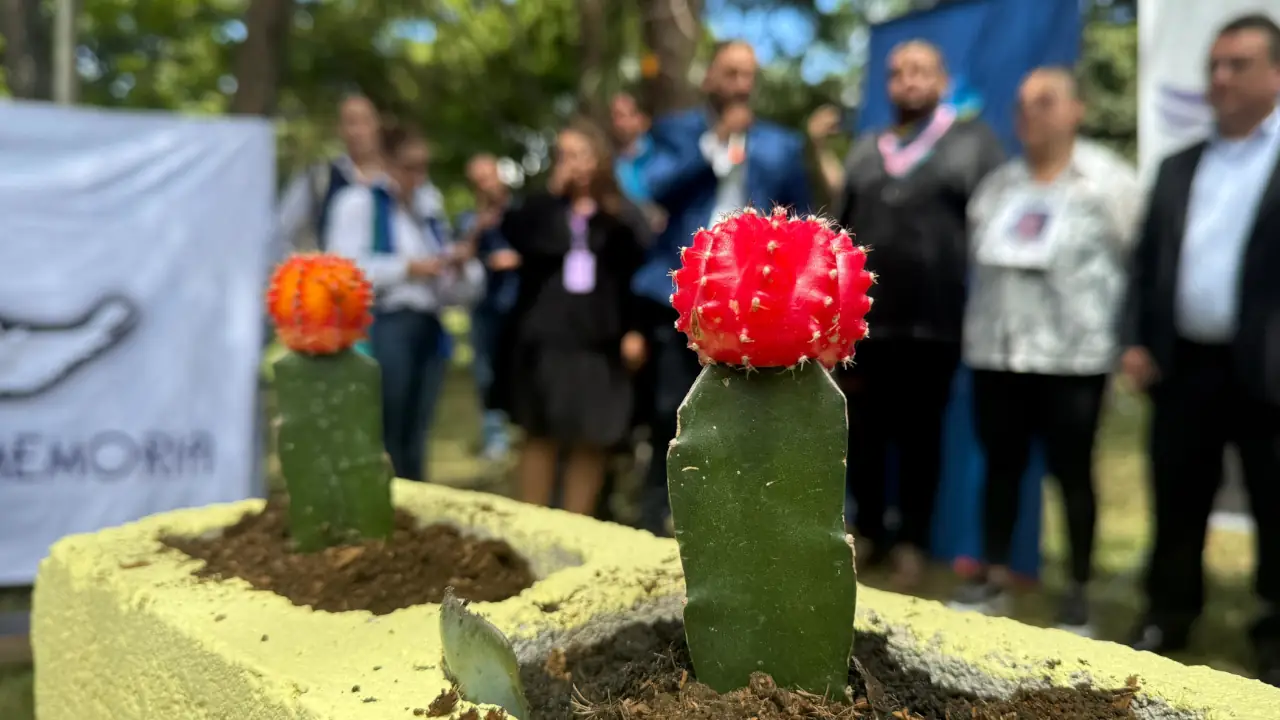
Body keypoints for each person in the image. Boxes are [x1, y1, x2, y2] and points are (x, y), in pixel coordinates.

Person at [947, 68, 1141, 636]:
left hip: (1074, 360)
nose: (1030, 114)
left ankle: (1078, 589)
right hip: (999, 355)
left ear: (1077, 109)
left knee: (1072, 474)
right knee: (1001, 469)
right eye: (1022, 105)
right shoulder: (999, 186)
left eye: (1046, 102)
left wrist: (1131, 342)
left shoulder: (1110, 183)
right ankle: (994, 577)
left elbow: (1140, 267)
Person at [1122, 14, 1280, 686]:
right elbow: (1145, 263)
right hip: (1183, 364)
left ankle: (1274, 630)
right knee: (1178, 492)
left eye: (1237, 64)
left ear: (1275, 72)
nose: (1219, 78)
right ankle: (1169, 614)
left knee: (1276, 501)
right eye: (1213, 65)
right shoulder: (1181, 164)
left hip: (1267, 371)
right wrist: (1133, 338)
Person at [812, 40, 1005, 590]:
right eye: (897, 73)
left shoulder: (974, 143)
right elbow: (839, 226)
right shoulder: (867, 148)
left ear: (942, 79)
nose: (907, 81)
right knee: (864, 432)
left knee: (923, 437)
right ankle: (869, 529)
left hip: (934, 324)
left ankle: (915, 541)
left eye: (920, 70)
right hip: (866, 326)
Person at [634, 39, 812, 536]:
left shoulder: (781, 144)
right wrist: (713, 145)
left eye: (747, 75)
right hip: (678, 295)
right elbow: (656, 188)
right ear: (708, 78)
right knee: (669, 406)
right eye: (729, 73)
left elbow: (799, 223)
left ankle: (733, 517)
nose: (739, 85)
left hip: (751, 305)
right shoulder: (676, 133)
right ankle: (658, 514)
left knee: (743, 413)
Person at [495, 120, 648, 515]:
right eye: (564, 156)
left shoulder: (619, 217)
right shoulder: (542, 211)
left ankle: (575, 523)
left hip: (598, 342)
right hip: (546, 338)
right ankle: (531, 523)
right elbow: (514, 232)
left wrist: (634, 329)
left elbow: (634, 276)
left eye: (580, 154)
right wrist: (551, 195)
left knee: (591, 438)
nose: (573, 164)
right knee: (540, 432)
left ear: (599, 160)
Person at [325, 122, 483, 482]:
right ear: (388, 163)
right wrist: (406, 268)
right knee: (386, 430)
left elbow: (455, 291)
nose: (418, 177)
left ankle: (410, 511)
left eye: (423, 167)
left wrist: (459, 267)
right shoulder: (358, 204)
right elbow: (342, 270)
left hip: (427, 328)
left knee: (416, 434)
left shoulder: (428, 213)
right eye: (409, 167)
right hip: (383, 325)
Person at [456, 154, 520, 462]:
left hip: (519, 303)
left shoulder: (521, 213)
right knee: (485, 371)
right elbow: (460, 257)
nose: (486, 184)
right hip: (484, 305)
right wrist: (478, 229)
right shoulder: (469, 220)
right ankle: (495, 438)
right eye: (479, 180)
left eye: (489, 176)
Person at [277, 93, 384, 255]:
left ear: (377, 125)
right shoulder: (320, 178)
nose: (358, 131)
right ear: (339, 129)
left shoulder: (398, 181)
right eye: (351, 123)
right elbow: (282, 231)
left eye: (365, 121)